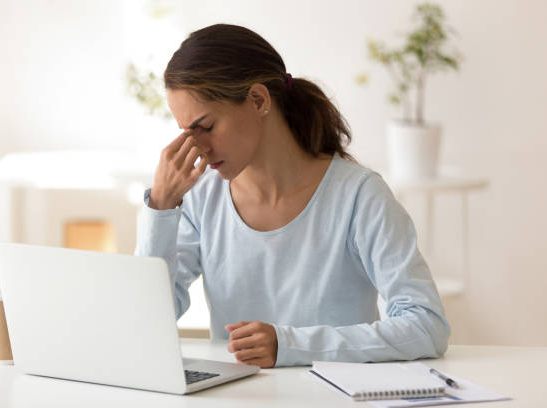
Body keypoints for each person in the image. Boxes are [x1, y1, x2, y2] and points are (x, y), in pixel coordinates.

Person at [135, 23, 450, 368]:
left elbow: (425, 325)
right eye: (186, 132)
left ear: (258, 100)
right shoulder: (201, 199)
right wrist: (161, 208)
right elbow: (144, 322)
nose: (198, 147)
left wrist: (290, 344)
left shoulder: (359, 196)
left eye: (206, 127)